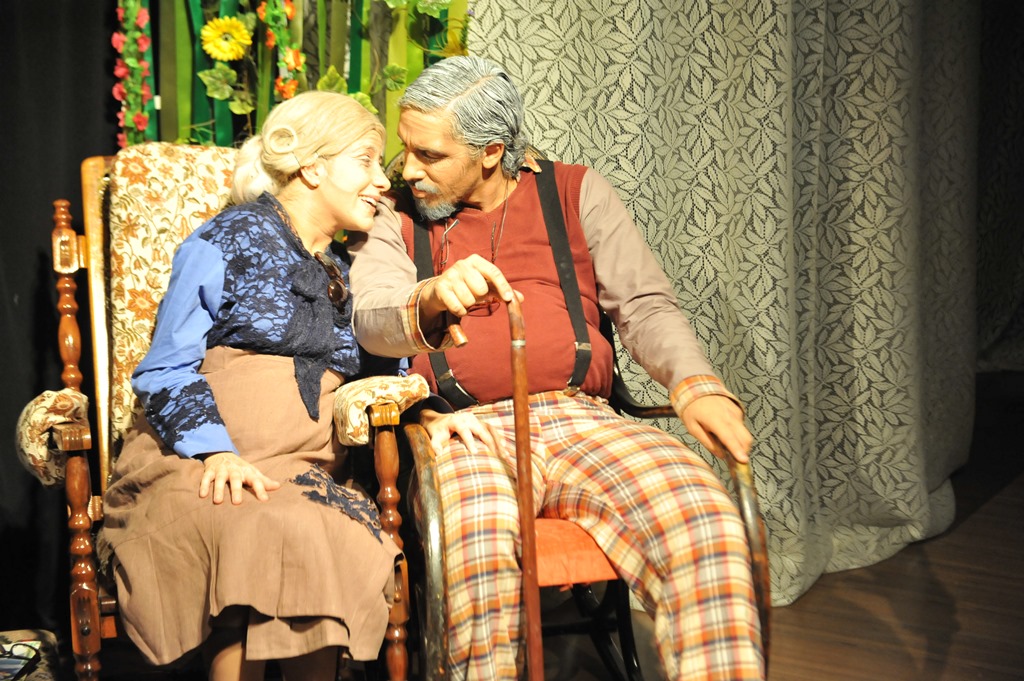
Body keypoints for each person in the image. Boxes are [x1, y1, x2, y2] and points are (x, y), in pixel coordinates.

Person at [348, 56, 765, 680]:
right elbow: (370, 316)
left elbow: (645, 305)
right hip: (463, 430)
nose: (408, 170)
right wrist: (429, 296)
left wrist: (693, 383)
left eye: (429, 155)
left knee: (703, 520)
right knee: (476, 544)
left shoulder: (575, 191)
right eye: (407, 149)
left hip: (583, 417)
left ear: (491, 152)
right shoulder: (394, 213)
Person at [99, 90, 499, 681]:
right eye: (365, 161)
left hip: (301, 470)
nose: (382, 181)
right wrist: (216, 452)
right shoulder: (225, 241)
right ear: (312, 167)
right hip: (195, 464)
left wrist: (425, 413)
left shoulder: (347, 269)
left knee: (321, 531)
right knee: (256, 524)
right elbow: (164, 368)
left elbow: (377, 373)